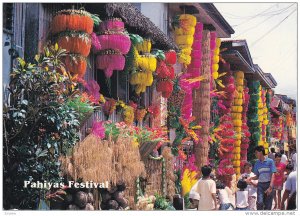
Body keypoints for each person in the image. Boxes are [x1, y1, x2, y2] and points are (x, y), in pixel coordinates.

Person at [246, 146, 277, 210]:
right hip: (260, 185)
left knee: (268, 205)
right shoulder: (257, 163)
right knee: (259, 203)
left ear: (260, 152)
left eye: (256, 152)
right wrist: (251, 178)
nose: (255, 154)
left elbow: (273, 174)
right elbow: (257, 176)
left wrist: (270, 187)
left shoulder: (270, 161)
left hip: (269, 185)